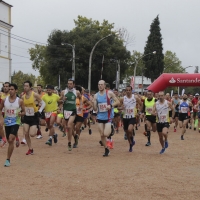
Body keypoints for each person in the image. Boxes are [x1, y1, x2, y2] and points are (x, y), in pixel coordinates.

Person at [92, 80, 119, 156]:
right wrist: (93, 103)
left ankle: (112, 128)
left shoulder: (109, 93)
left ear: (104, 85)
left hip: (108, 116)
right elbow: (94, 109)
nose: (100, 86)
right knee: (102, 134)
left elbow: (117, 102)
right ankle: (106, 149)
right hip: (100, 116)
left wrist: (110, 106)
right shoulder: (96, 95)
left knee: (106, 134)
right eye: (99, 84)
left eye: (101, 84)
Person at [0, 84, 25, 166]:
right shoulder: (4, 100)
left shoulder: (20, 101)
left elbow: (24, 111)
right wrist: (1, 119)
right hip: (7, 122)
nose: (10, 90)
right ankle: (14, 142)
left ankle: (7, 159)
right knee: (9, 140)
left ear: (16, 90)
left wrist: (21, 114)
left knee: (11, 139)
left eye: (12, 89)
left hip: (15, 121)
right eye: (9, 89)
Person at [22, 81, 46, 155]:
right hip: (26, 116)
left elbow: (43, 103)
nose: (25, 87)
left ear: (30, 87)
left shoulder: (34, 95)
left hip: (34, 116)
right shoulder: (23, 96)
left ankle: (38, 128)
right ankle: (30, 149)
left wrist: (40, 110)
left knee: (32, 134)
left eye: (27, 86)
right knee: (26, 133)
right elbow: (22, 106)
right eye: (24, 86)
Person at [60, 79, 82, 151]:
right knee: (68, 127)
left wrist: (81, 105)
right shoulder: (63, 92)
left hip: (73, 111)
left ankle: (69, 143)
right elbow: (59, 101)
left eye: (71, 84)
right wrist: (63, 99)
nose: (69, 85)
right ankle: (75, 136)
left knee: (69, 126)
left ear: (73, 85)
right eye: (68, 84)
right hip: (65, 111)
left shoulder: (77, 92)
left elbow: (80, 98)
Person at [119, 85, 142, 152]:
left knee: (129, 130)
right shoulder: (122, 99)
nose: (128, 91)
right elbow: (118, 107)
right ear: (125, 91)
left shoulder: (135, 97)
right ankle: (130, 144)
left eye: (129, 90)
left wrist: (139, 112)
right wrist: (121, 108)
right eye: (127, 90)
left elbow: (141, 105)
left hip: (132, 117)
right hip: (125, 117)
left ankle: (132, 139)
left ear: (131, 91)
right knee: (127, 132)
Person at [0, 82, 11, 147]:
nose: (5, 87)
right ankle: (3, 138)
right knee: (0, 125)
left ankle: (17, 138)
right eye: (4, 86)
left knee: (9, 127)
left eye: (7, 86)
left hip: (9, 113)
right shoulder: (1, 94)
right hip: (2, 112)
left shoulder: (11, 95)